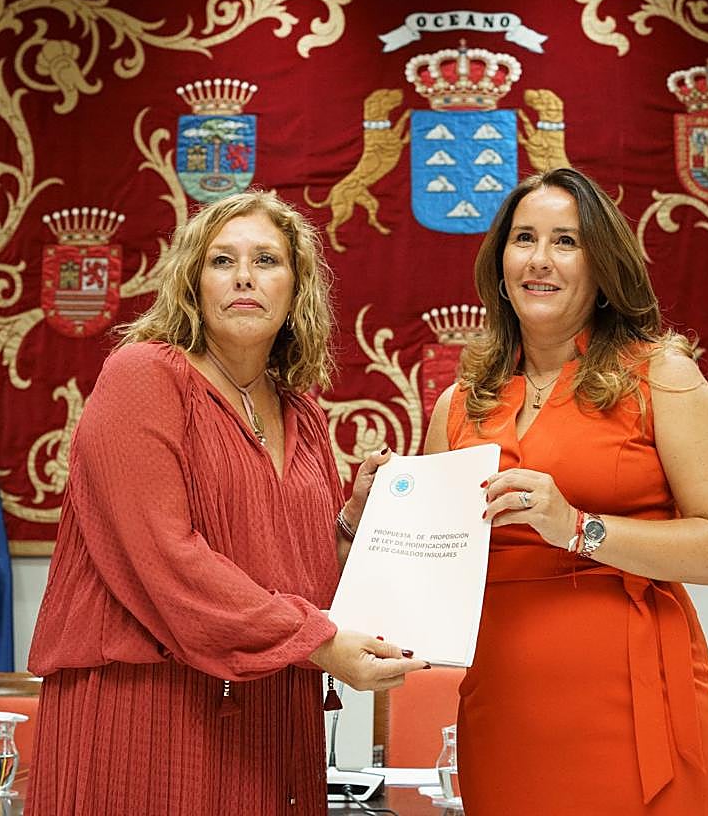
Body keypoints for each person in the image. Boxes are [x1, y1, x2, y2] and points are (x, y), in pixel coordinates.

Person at [26, 190, 425, 815]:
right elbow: (166, 560)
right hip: (149, 711)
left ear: (296, 290)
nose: (245, 276)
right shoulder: (143, 375)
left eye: (267, 260)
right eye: (222, 260)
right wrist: (319, 645)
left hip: (269, 717)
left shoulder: (305, 414)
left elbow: (301, 576)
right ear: (193, 282)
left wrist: (354, 522)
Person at [424, 168, 708, 815]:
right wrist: (370, 524)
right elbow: (437, 570)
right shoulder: (459, 403)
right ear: (499, 263)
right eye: (524, 239)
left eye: (566, 242)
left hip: (634, 705)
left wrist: (579, 527)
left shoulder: (663, 376)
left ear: (603, 265)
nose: (539, 260)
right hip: (505, 705)